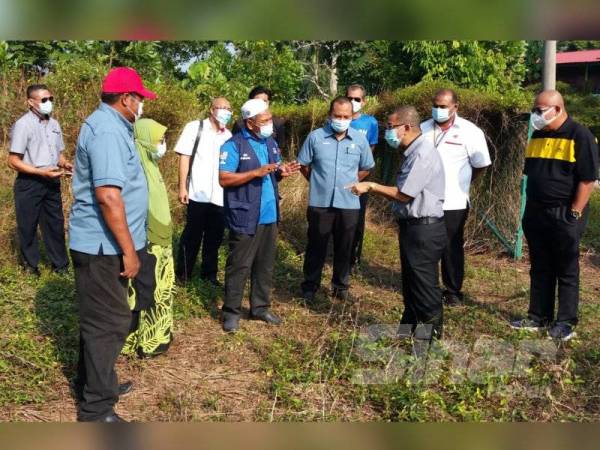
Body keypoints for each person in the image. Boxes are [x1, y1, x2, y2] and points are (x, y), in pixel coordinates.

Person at [69, 67, 156, 422]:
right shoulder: (107, 130)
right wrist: (129, 250)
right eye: (139, 99)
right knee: (110, 322)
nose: (141, 105)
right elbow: (107, 196)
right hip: (103, 248)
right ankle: (96, 409)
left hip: (109, 245)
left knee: (100, 319)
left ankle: (93, 382)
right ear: (126, 98)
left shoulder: (115, 126)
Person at [350, 106, 446, 339]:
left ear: (405, 127)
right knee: (411, 283)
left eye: (390, 127)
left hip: (424, 228)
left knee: (424, 286)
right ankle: (408, 332)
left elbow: (404, 194)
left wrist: (370, 186)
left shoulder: (422, 152)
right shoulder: (412, 150)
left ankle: (428, 339)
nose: (388, 133)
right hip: (413, 227)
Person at [510, 90, 599, 342]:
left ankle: (566, 322)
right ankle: (538, 316)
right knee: (540, 265)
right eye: (534, 110)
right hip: (537, 211)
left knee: (566, 268)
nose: (535, 115)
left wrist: (575, 212)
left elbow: (587, 179)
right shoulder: (538, 135)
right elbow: (533, 173)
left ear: (558, 109)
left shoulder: (580, 135)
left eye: (540, 110)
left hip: (565, 212)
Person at [219, 99, 300, 333]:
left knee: (265, 265)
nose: (270, 124)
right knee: (239, 265)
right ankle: (231, 312)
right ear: (250, 123)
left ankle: (260, 307)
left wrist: (282, 172)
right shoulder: (234, 145)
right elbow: (224, 178)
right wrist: (255, 172)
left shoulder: (271, 143)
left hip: (269, 214)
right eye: (264, 121)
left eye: (270, 119)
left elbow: (273, 171)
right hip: (245, 215)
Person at [298, 96, 375, 303]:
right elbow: (304, 165)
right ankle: (310, 286)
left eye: (346, 116)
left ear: (351, 117)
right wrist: (317, 182)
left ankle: (340, 286)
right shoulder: (315, 137)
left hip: (348, 203)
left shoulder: (359, 140)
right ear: (329, 115)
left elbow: (366, 168)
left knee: (345, 246)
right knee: (316, 245)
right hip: (320, 202)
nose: (341, 119)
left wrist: (351, 184)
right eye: (337, 115)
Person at [421, 88, 491, 306]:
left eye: (443, 106)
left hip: (454, 201)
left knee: (451, 246)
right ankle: (427, 287)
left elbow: (480, 166)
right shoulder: (422, 128)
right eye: (435, 105)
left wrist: (463, 183)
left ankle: (452, 291)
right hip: (424, 200)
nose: (438, 110)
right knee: (425, 244)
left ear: (455, 107)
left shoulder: (471, 132)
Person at [122, 118, 174, 358]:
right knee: (146, 290)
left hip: (160, 241)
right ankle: (145, 341)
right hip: (147, 241)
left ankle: (157, 337)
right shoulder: (136, 169)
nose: (162, 144)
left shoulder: (150, 165)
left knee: (159, 289)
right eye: (158, 140)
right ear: (143, 141)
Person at [8, 84, 72, 276]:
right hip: (30, 182)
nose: (49, 103)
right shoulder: (23, 125)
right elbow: (13, 161)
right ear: (31, 102)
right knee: (27, 225)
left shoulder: (54, 124)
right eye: (44, 100)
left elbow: (58, 155)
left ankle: (60, 266)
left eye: (51, 99)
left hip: (52, 180)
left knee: (55, 224)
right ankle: (30, 266)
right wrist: (39, 172)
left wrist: (66, 164)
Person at [174, 97, 233, 285]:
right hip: (197, 192)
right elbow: (185, 157)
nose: (225, 111)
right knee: (192, 235)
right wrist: (182, 186)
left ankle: (209, 275)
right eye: (221, 108)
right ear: (211, 110)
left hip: (219, 195)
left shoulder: (229, 136)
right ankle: (183, 273)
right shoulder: (195, 127)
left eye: (228, 108)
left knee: (214, 238)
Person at [346, 84, 379, 272]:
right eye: (350, 98)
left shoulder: (370, 123)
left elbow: (370, 152)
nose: (353, 102)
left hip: (360, 178)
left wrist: (360, 176)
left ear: (363, 102)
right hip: (339, 178)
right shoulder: (335, 120)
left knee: (357, 219)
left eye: (357, 99)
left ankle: (353, 258)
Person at [232, 86, 287, 150]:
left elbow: (279, 148)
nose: (261, 103)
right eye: (257, 100)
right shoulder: (240, 124)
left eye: (264, 101)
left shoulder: (278, 123)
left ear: (268, 102)